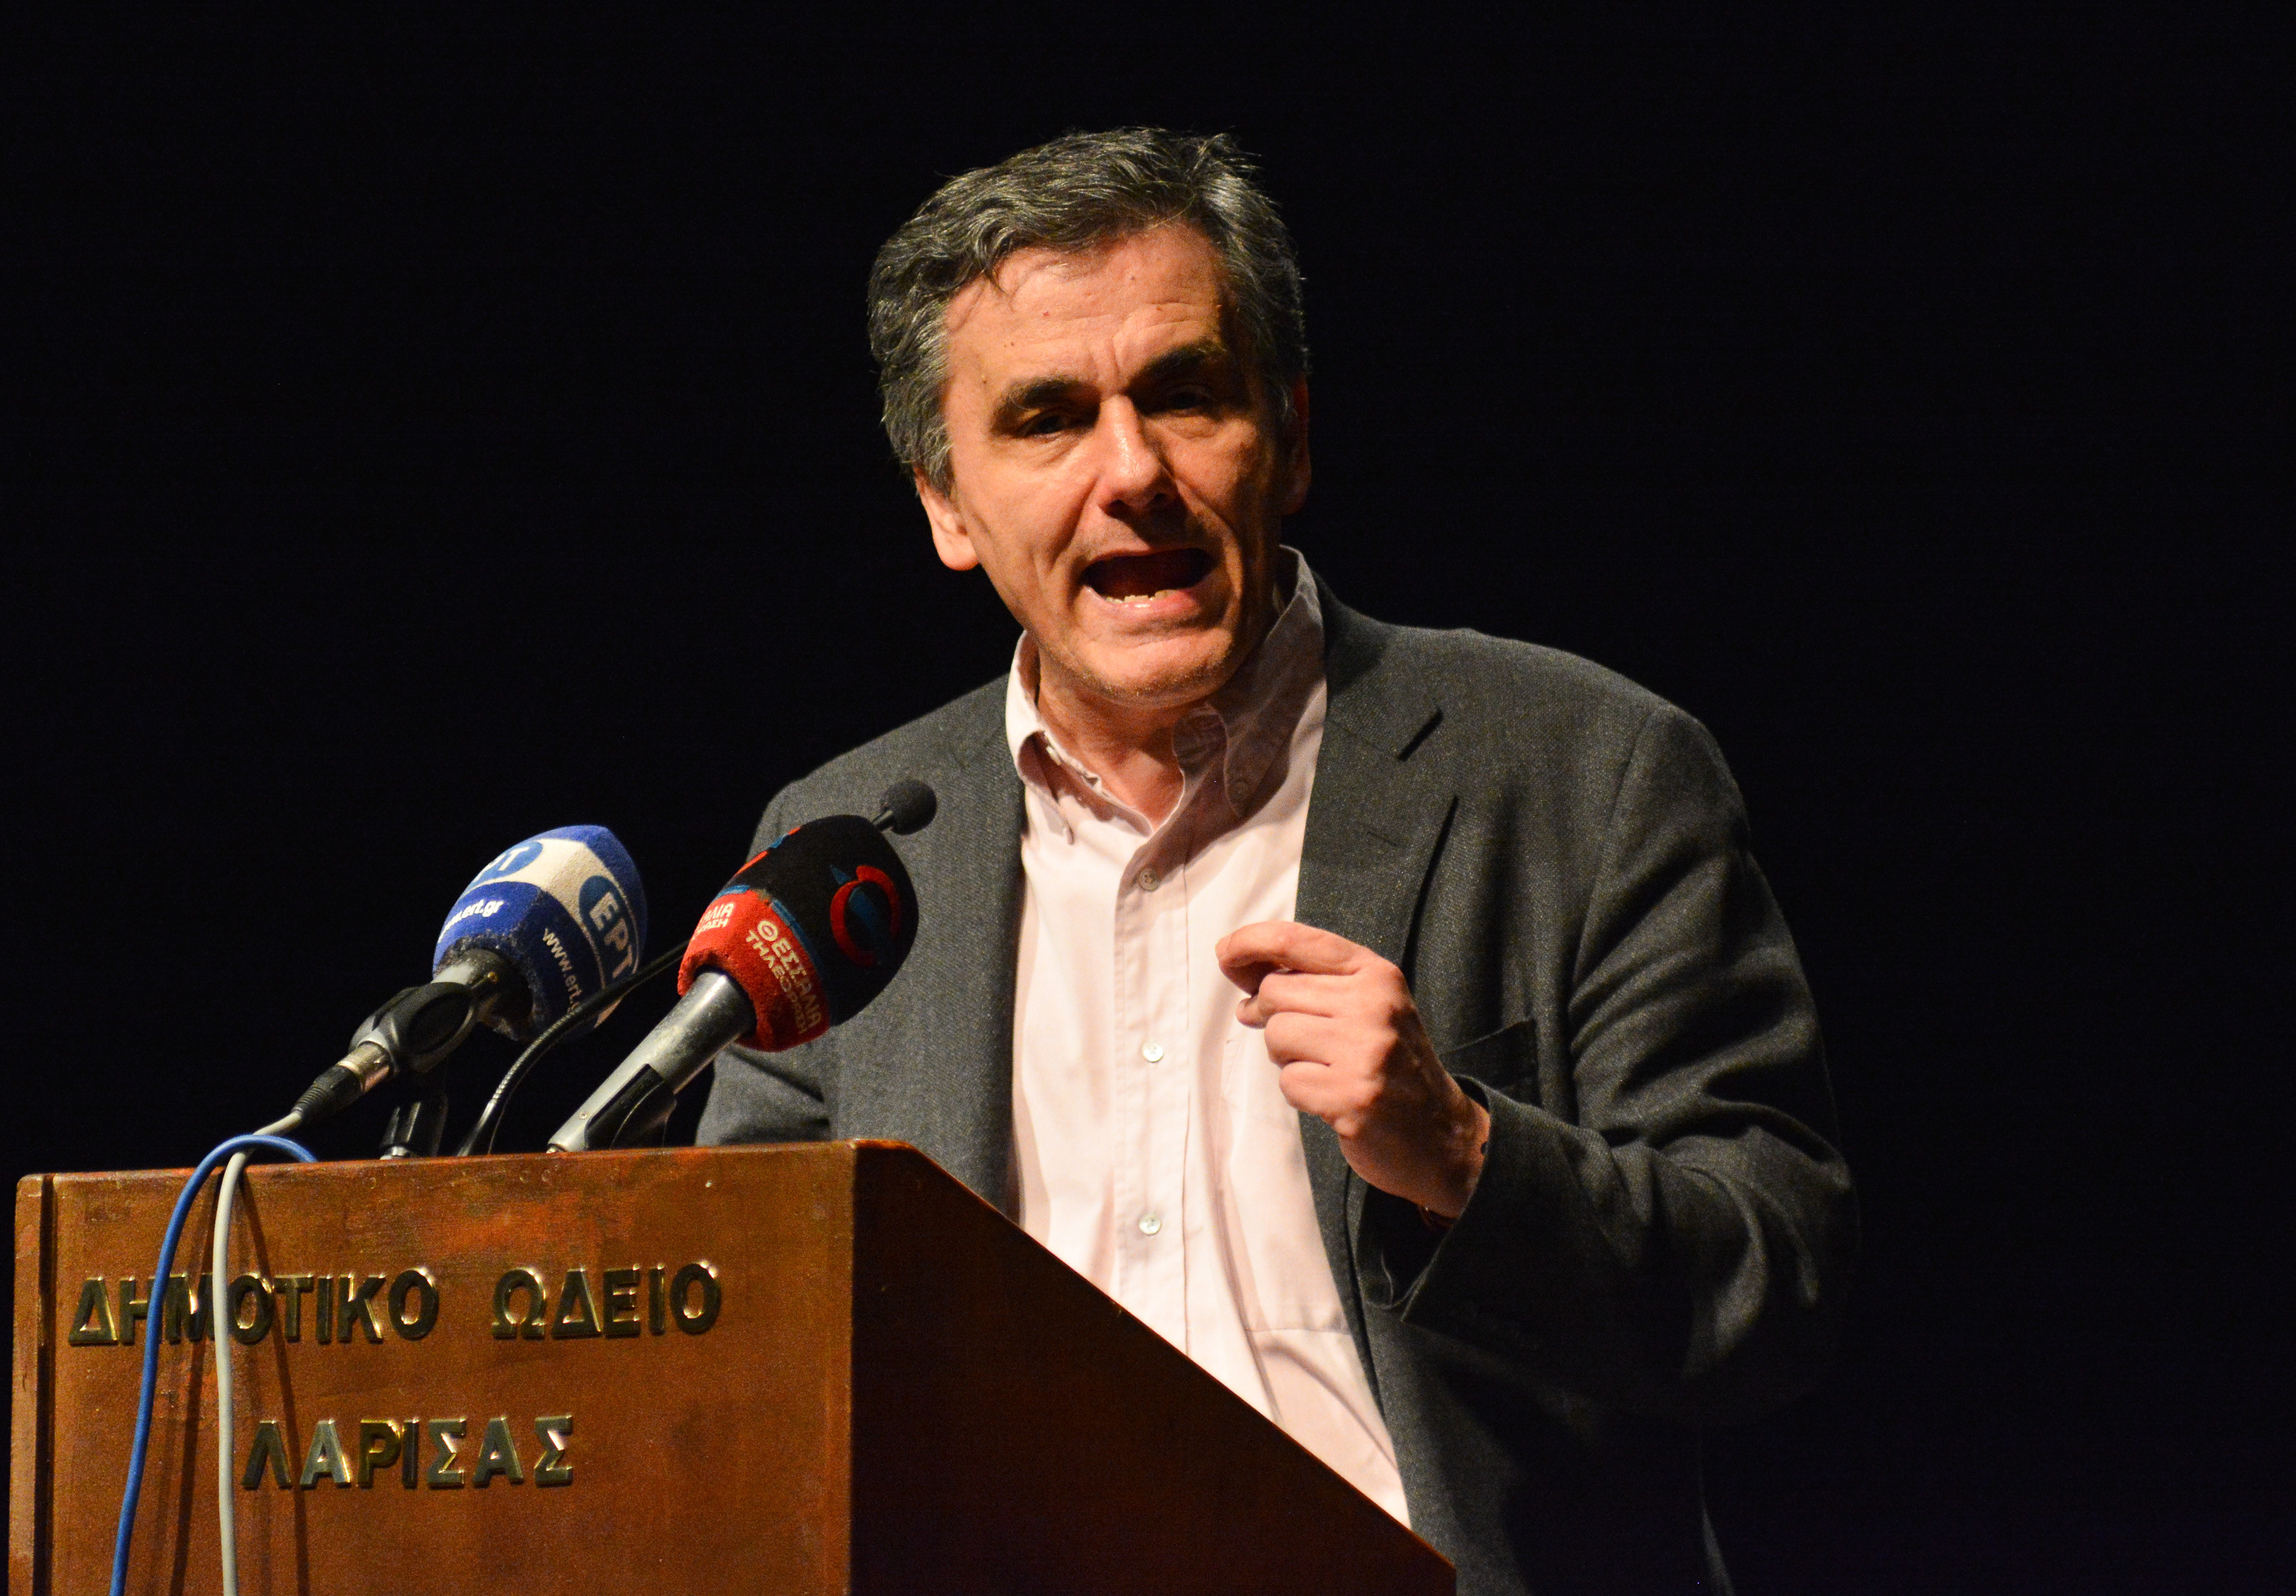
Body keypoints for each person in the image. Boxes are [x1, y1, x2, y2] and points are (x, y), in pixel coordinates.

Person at [698, 127, 1855, 1596]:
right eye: (1048, 419)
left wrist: (1466, 1156)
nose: (1134, 472)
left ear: (1291, 437)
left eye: (1185, 394)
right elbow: (740, 1323)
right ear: (945, 502)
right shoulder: (848, 852)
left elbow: (1775, 1280)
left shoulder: (1585, 769)